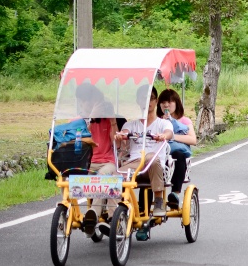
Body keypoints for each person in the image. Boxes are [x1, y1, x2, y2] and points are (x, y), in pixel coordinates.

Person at [115, 86, 174, 217]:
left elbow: (168, 132)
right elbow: (124, 132)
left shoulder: (163, 123)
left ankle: (158, 200)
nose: (147, 102)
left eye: (151, 98)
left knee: (151, 157)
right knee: (115, 173)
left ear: (156, 100)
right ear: (138, 101)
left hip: (154, 165)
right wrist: (122, 135)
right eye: (143, 99)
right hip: (135, 165)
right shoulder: (131, 125)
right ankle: (113, 209)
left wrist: (164, 136)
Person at [76, 83, 118, 236]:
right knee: (68, 177)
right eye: (88, 101)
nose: (92, 104)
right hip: (87, 162)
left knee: (102, 177)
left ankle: (93, 213)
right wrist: (91, 117)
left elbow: (117, 143)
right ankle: (70, 213)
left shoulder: (107, 120)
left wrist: (113, 120)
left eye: (96, 101)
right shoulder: (79, 121)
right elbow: (79, 140)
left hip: (107, 161)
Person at [158, 88, 196, 210]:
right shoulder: (157, 120)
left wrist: (173, 136)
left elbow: (192, 140)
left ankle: (175, 193)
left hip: (175, 153)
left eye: (170, 102)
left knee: (179, 155)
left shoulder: (184, 121)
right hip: (159, 153)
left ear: (176, 103)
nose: (166, 105)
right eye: (163, 102)